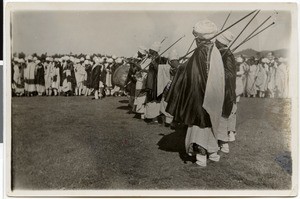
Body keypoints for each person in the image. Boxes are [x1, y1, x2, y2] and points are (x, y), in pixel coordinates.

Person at [166, 19, 225, 167]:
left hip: (200, 95)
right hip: (213, 94)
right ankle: (213, 154)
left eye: (196, 38)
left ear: (199, 38)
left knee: (200, 125)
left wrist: (178, 68)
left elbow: (191, 72)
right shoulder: (214, 49)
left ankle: (201, 159)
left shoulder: (201, 51)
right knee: (211, 122)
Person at [215, 30, 237, 153]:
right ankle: (220, 142)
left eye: (216, 41)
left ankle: (224, 144)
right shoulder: (221, 53)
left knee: (222, 116)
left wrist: (217, 73)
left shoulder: (227, 55)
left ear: (219, 42)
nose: (215, 43)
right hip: (222, 88)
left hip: (225, 90)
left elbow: (229, 75)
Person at [144, 41, 168, 124]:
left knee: (155, 100)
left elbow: (161, 70)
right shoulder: (152, 58)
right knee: (151, 99)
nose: (149, 51)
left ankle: (156, 119)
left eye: (150, 50)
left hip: (156, 82)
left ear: (154, 51)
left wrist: (155, 64)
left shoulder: (160, 59)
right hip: (151, 81)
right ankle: (152, 118)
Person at [159, 49, 179, 127]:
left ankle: (171, 121)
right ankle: (168, 121)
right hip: (170, 86)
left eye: (175, 61)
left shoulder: (179, 68)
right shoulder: (170, 68)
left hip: (175, 88)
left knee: (171, 103)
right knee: (165, 101)